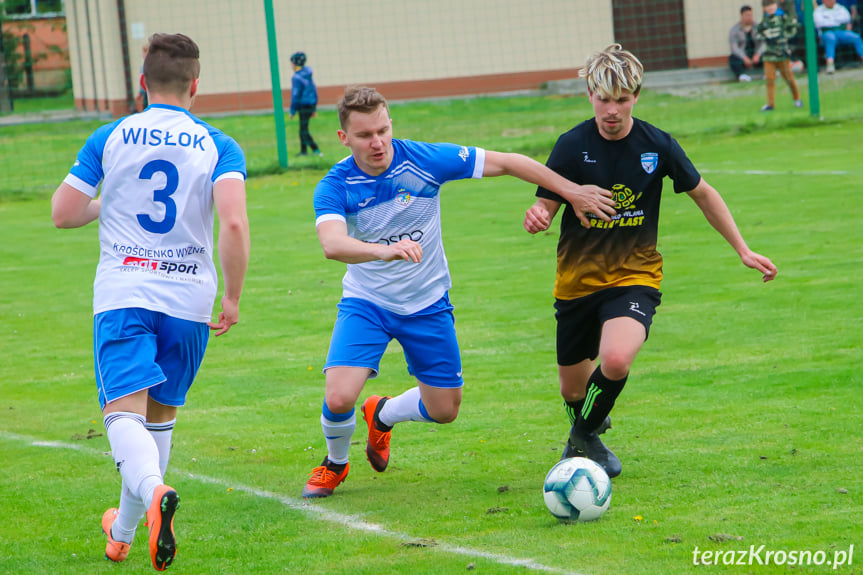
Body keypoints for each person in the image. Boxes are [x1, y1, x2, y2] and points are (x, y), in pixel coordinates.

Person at [304, 86, 618, 499]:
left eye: (383, 130)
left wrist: (571, 191)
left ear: (391, 124)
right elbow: (332, 244)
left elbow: (508, 162)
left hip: (428, 303)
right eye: (365, 136)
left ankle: (382, 413)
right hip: (368, 304)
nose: (377, 142)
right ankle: (335, 464)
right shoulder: (336, 184)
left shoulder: (424, 160)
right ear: (344, 138)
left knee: (444, 410)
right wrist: (385, 251)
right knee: (340, 394)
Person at [523, 44, 777, 479]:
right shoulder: (570, 146)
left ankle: (579, 442)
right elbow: (547, 203)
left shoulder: (657, 145)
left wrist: (743, 248)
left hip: (634, 275)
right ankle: (589, 430)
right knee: (573, 389)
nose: (612, 110)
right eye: (604, 99)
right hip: (577, 282)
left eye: (622, 100)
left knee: (617, 359)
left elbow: (704, 194)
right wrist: (539, 216)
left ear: (636, 97)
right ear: (589, 94)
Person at [51, 33, 250, 570]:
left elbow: (64, 212)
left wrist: (104, 204)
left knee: (122, 415)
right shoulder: (218, 143)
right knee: (159, 417)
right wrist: (231, 296)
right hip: (189, 296)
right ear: (195, 86)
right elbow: (231, 220)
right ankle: (123, 530)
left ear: (143, 83)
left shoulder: (112, 135)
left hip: (126, 291)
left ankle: (155, 495)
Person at [756, 0, 803, 111]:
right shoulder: (763, 22)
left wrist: (785, 36)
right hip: (768, 55)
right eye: (767, 6)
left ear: (776, 5)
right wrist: (765, 36)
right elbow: (758, 33)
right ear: (764, 8)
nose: (770, 7)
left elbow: (792, 28)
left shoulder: (783, 18)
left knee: (789, 78)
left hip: (782, 54)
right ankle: (770, 104)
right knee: (770, 80)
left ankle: (797, 99)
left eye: (772, 5)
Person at [814, 0, 863, 73]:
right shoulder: (818, 10)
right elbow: (819, 23)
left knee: (855, 37)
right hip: (826, 33)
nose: (830, 1)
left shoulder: (840, 8)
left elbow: (846, 19)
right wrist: (835, 22)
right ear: (823, 1)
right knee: (831, 38)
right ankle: (830, 64)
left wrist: (830, 20)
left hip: (841, 32)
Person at [289, 51, 322, 157]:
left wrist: (292, 110)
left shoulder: (296, 78)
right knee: (302, 129)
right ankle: (303, 151)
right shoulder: (308, 74)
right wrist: (314, 108)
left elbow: (295, 95)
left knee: (303, 130)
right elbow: (314, 91)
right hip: (310, 105)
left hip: (303, 105)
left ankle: (316, 150)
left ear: (295, 63)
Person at [729, 5, 764, 82]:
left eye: (751, 15)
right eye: (747, 15)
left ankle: (768, 73)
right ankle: (742, 75)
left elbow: (763, 43)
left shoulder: (757, 27)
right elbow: (734, 47)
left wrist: (758, 54)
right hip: (743, 55)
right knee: (733, 58)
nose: (750, 17)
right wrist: (744, 57)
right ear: (742, 16)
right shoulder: (735, 29)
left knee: (768, 54)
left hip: (756, 54)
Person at [135, 41, 149, 112]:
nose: (142, 55)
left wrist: (141, 92)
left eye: (144, 52)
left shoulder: (145, 66)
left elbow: (142, 78)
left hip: (147, 91)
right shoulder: (144, 65)